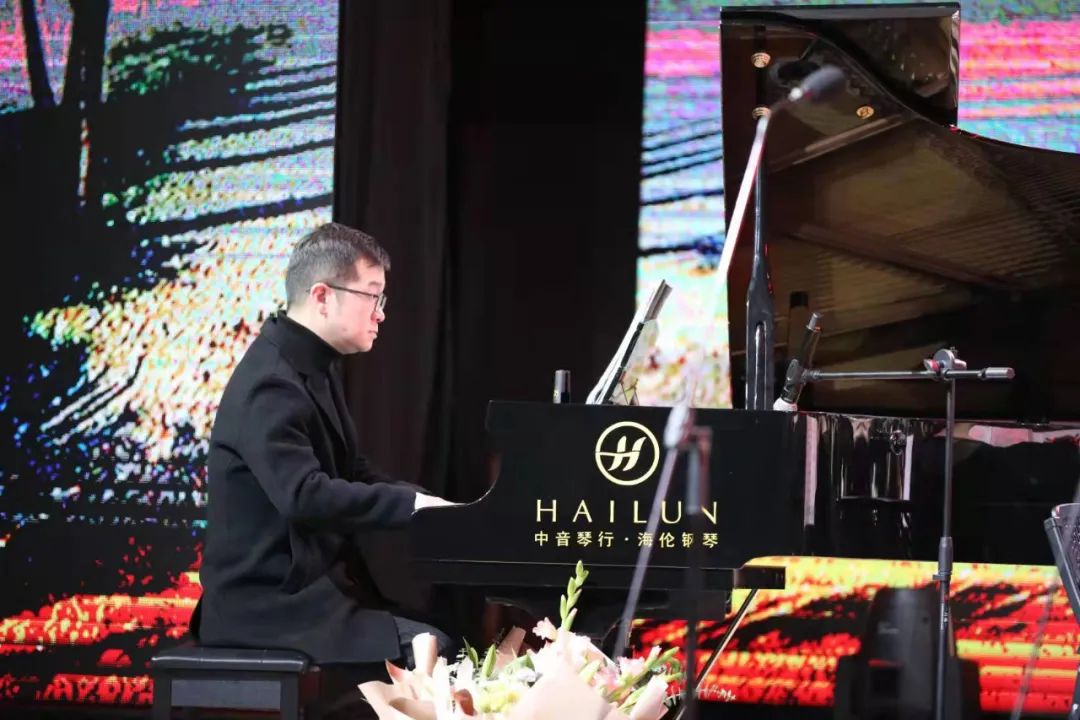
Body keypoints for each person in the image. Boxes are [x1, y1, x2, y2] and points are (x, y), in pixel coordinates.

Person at [193, 222, 455, 674]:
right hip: (267, 607)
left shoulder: (312, 366)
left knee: (445, 628)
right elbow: (305, 496)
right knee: (437, 648)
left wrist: (430, 506)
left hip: (309, 593)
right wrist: (414, 507)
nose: (381, 314)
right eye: (372, 296)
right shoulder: (271, 382)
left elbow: (351, 471)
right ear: (322, 296)